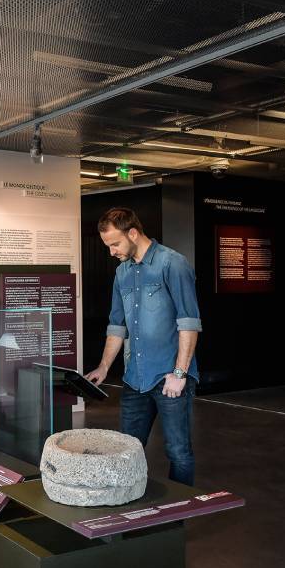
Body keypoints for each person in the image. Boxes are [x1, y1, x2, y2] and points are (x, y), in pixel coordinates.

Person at [86, 208, 202, 486]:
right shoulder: (122, 273)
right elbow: (117, 326)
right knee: (128, 450)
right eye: (108, 246)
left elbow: (189, 322)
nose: (111, 251)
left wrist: (180, 374)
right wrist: (103, 367)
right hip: (134, 379)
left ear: (133, 233)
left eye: (115, 243)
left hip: (169, 378)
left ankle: (177, 517)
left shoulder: (172, 264)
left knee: (178, 452)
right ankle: (131, 509)